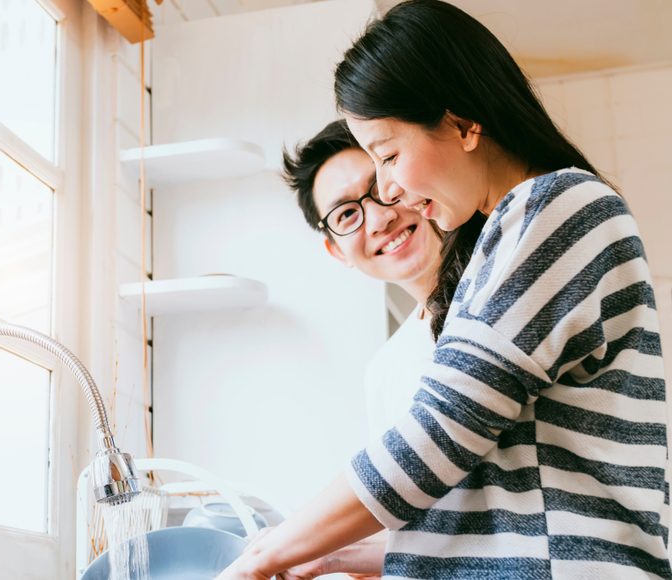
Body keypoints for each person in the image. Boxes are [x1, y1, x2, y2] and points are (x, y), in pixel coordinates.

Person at [219, 1, 670, 578]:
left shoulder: (560, 208)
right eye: (348, 212)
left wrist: (263, 554)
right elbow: (479, 501)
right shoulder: (501, 246)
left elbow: (439, 434)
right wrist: (329, 555)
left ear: (461, 123)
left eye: (387, 156)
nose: (390, 193)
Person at [279, 120, 486, 577]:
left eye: (381, 187)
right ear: (336, 251)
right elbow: (424, 535)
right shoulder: (384, 371)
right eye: (347, 214)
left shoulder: (493, 298)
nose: (379, 218)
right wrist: (321, 558)